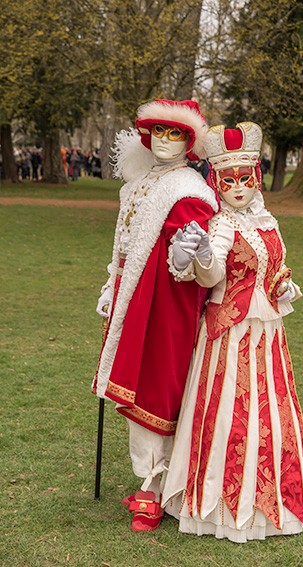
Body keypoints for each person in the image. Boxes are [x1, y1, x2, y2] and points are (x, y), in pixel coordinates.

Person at [162, 122, 303, 542]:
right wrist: (194, 255)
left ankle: (271, 500)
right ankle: (221, 504)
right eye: (227, 179)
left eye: (243, 178)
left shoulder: (268, 220)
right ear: (216, 180)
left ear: (256, 178)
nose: (236, 187)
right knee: (229, 412)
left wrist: (284, 284)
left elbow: (276, 268)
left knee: (270, 411)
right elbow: (211, 274)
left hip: (268, 334)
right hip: (228, 336)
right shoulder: (219, 225)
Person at [92, 99, 219, 532]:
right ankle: (148, 480)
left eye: (176, 133)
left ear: (191, 140)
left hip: (165, 301)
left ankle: (157, 486)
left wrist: (184, 256)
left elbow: (193, 261)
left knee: (155, 385)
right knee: (135, 381)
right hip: (133, 294)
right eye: (159, 132)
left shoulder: (189, 190)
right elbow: (123, 243)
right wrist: (112, 283)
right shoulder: (137, 183)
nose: (165, 141)